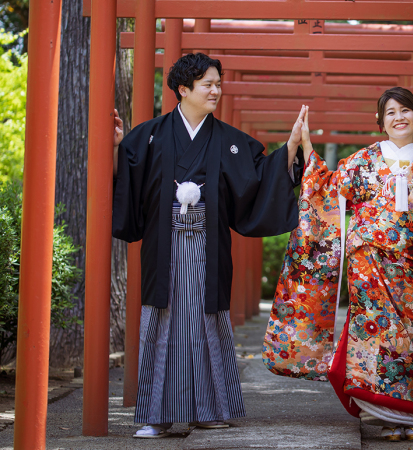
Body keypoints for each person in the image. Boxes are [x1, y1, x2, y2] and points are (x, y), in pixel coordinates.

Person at [112, 52, 308, 438]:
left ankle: (208, 408)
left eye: (219, 83)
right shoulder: (149, 135)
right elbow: (127, 181)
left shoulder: (230, 141)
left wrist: (288, 148)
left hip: (207, 246)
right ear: (183, 89)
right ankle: (156, 415)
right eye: (208, 84)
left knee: (206, 321)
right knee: (163, 320)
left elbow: (259, 177)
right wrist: (118, 150)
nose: (216, 90)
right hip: (164, 247)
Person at [262, 87, 413, 441]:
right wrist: (305, 145)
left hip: (412, 269)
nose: (399, 117)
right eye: (390, 112)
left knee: (412, 335)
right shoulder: (363, 160)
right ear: (381, 122)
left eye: (405, 110)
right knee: (375, 334)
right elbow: (326, 186)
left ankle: (408, 415)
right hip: (368, 266)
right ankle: (384, 412)